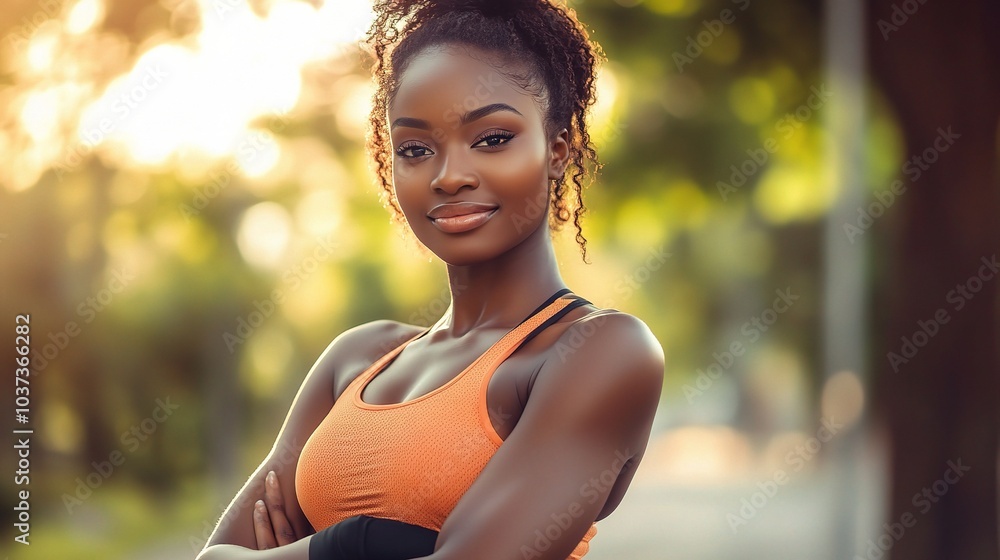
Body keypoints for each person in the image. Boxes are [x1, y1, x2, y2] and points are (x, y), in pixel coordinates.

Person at [197, 0, 664, 558]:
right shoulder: (357, 358)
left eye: (492, 139)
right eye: (416, 149)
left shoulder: (600, 351)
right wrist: (387, 546)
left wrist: (351, 540)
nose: (449, 176)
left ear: (557, 151)